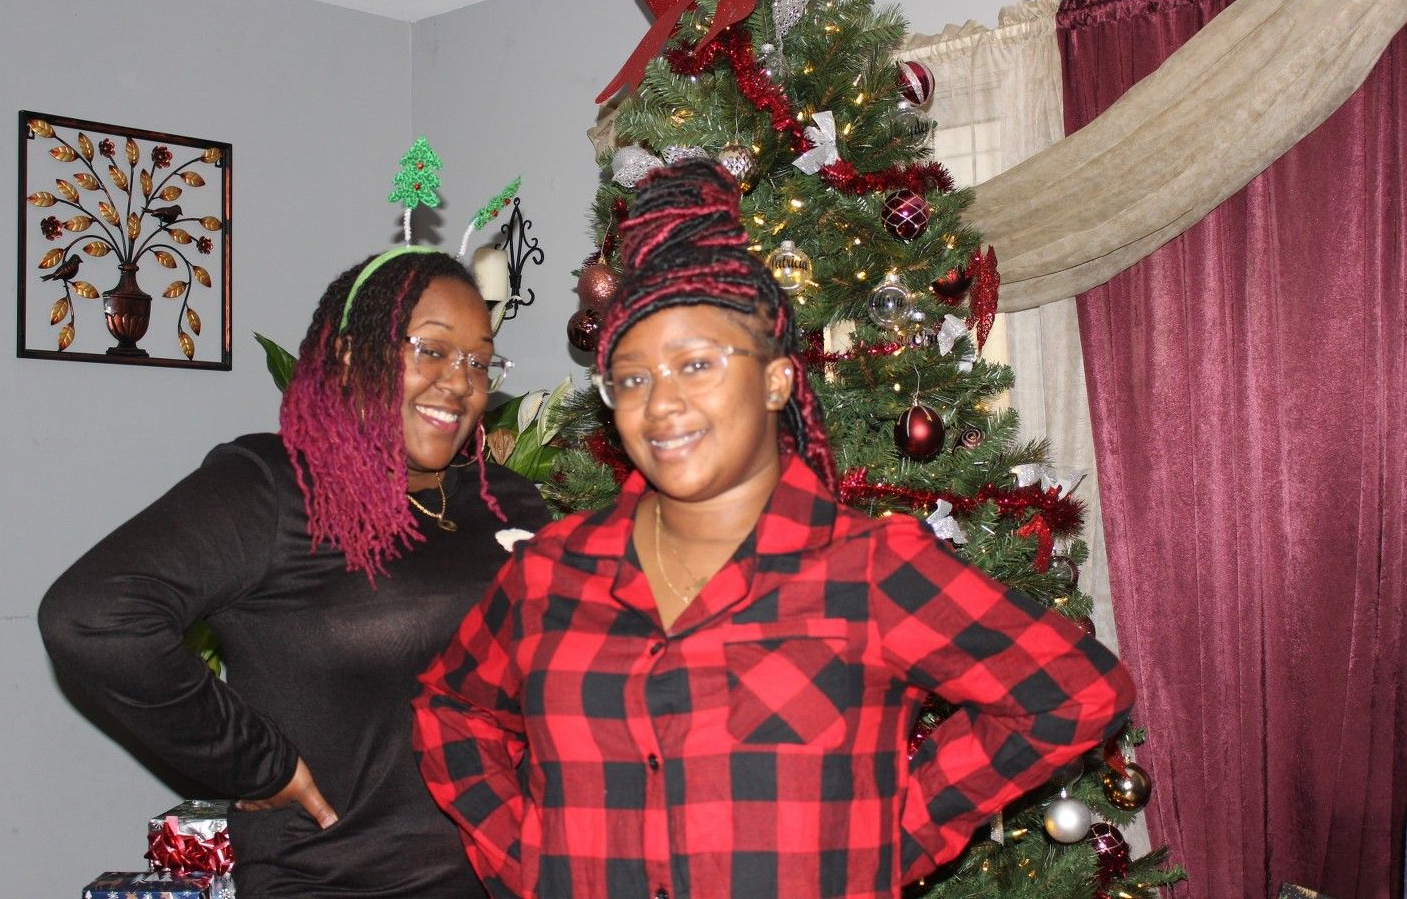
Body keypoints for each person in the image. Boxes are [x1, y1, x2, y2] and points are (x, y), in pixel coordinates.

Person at [412, 159, 1137, 899]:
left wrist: (890, 837)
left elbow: (1072, 693)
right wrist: (526, 856)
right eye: (631, 378)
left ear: (775, 380)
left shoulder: (868, 570)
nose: (660, 403)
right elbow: (453, 712)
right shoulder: (552, 572)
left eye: (696, 364)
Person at [40, 247, 550, 898]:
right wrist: (258, 764)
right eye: (432, 350)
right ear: (349, 357)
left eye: (479, 361)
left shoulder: (509, 501)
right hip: (339, 884)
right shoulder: (277, 488)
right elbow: (93, 616)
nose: (461, 381)